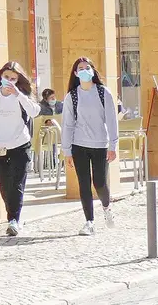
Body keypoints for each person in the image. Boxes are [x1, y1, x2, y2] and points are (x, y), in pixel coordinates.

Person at [0, 62, 40, 236]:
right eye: (6, 77)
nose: (9, 81)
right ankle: (12, 216)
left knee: (17, 183)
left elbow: (35, 111)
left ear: (18, 80)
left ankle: (14, 220)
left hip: (20, 144)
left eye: (13, 79)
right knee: (5, 185)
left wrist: (19, 95)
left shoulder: (22, 95)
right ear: (0, 77)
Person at [60, 57, 119, 236]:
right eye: (80, 68)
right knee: (84, 183)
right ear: (76, 73)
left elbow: (111, 119)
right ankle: (89, 221)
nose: (84, 70)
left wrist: (113, 145)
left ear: (93, 71)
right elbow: (68, 124)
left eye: (87, 67)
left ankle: (107, 207)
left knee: (99, 182)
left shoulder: (103, 93)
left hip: (100, 144)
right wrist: (67, 151)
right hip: (79, 144)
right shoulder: (72, 96)